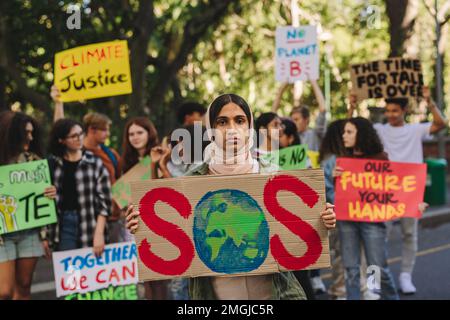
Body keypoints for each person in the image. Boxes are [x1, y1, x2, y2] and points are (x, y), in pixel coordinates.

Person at [126, 93, 337, 300]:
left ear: (249, 127)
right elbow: (170, 235)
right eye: (222, 122)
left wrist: (323, 219)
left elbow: (299, 235)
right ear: (210, 129)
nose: (232, 130)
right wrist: (140, 223)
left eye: (239, 120)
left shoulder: (273, 174)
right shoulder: (192, 180)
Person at [347, 87, 447, 294]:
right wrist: (352, 106)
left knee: (410, 234)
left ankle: (405, 276)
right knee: (376, 238)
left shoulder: (415, 129)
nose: (390, 114)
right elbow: (352, 128)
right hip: (383, 192)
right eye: (388, 110)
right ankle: (373, 284)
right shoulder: (380, 130)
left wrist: (430, 101)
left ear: (404, 110)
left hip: (410, 192)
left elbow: (441, 124)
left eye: (395, 110)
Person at [333, 117, 399, 300]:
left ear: (361, 134)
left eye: (349, 132)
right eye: (344, 132)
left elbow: (393, 189)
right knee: (351, 270)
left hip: (372, 221)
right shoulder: (343, 159)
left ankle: (384, 295)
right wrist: (335, 177)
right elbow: (342, 192)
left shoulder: (380, 158)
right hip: (348, 221)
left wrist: (413, 203)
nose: (344, 135)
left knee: (377, 269)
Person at [51, 86, 122, 242]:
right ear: (92, 130)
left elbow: (120, 183)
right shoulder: (75, 153)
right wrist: (58, 103)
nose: (108, 134)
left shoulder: (110, 154)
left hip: (110, 219)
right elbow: (60, 128)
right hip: (78, 220)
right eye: (104, 130)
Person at [0, 112, 56, 300]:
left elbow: (42, 199)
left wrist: (50, 193)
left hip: (30, 233)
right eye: (26, 133)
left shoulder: (35, 161)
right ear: (11, 134)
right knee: (4, 292)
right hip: (2, 235)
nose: (30, 138)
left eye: (32, 133)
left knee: (24, 286)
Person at [47, 119, 111, 255]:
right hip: (63, 225)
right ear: (61, 140)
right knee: (70, 272)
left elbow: (105, 203)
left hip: (90, 222)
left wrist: (99, 234)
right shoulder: (53, 164)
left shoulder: (94, 163)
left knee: (93, 270)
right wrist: (50, 193)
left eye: (81, 133)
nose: (79, 138)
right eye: (73, 136)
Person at [119, 117, 162, 299]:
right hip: (136, 223)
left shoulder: (161, 154)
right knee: (144, 275)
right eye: (131, 134)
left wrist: (154, 162)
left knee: (161, 273)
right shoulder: (125, 161)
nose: (135, 137)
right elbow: (122, 195)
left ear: (149, 133)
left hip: (158, 221)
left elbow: (159, 187)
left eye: (139, 132)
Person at [289, 79, 327, 152]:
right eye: (292, 120)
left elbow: (323, 109)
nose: (293, 123)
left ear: (306, 120)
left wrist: (313, 82)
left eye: (296, 119)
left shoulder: (316, 133)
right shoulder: (290, 137)